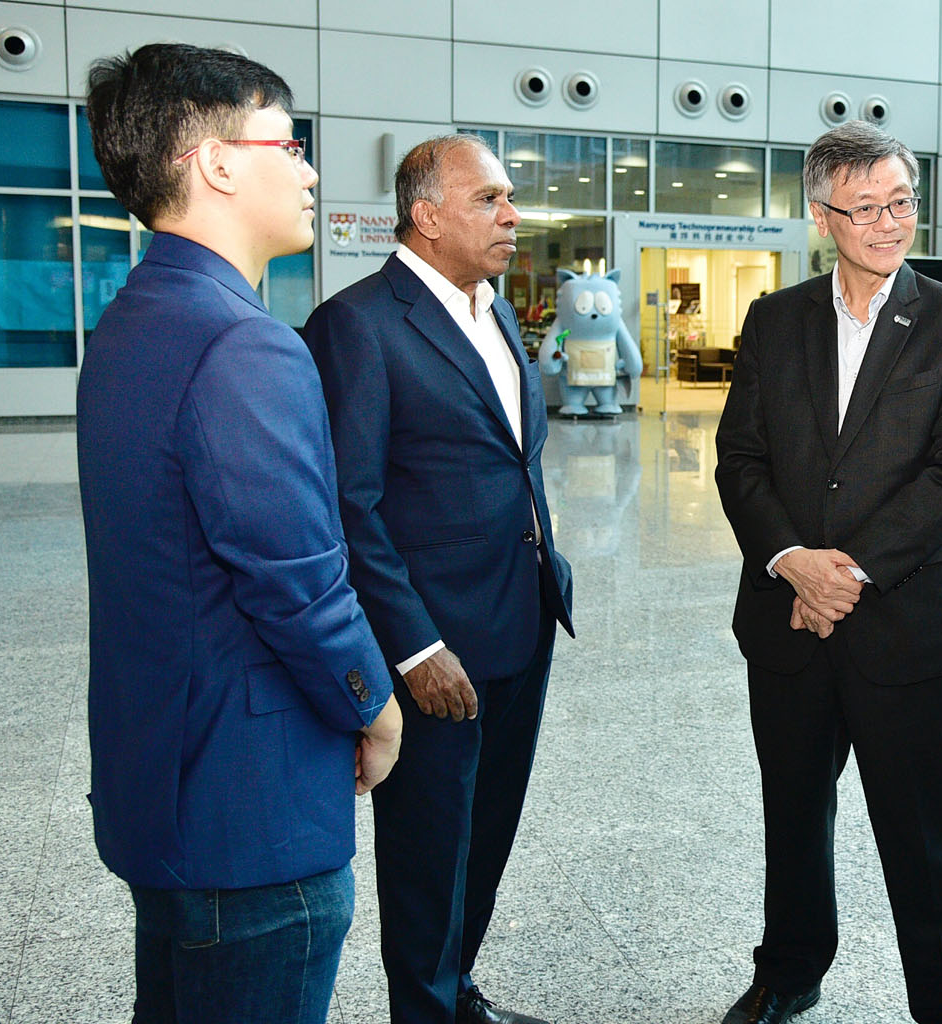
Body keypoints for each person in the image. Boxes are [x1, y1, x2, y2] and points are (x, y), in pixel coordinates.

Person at [77, 43, 402, 1023]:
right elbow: (295, 582)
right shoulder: (244, 343)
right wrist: (372, 702)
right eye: (289, 142)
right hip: (248, 815)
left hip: (161, 786)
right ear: (215, 162)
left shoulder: (135, 321)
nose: (308, 169)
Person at [715, 119, 942, 1024]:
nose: (888, 223)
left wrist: (849, 575)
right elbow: (740, 461)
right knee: (793, 819)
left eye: (902, 203)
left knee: (930, 837)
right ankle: (790, 972)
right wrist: (795, 563)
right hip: (787, 623)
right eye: (865, 207)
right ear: (822, 214)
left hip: (907, 623)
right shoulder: (773, 319)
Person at [302, 134, 574, 1024]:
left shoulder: (491, 311)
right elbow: (350, 505)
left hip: (520, 623)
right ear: (426, 216)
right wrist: (414, 646)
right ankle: (422, 1008)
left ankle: (457, 993)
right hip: (434, 651)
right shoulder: (361, 325)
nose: (513, 214)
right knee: (427, 851)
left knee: (486, 835)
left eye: (508, 198)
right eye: (490, 198)